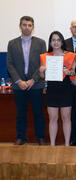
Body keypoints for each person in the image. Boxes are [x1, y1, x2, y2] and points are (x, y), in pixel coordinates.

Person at [6, 16, 46, 145]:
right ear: (20, 26)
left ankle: (40, 137)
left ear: (33, 27)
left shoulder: (40, 43)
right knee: (21, 113)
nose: (27, 27)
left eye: (29, 25)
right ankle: (21, 137)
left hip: (36, 84)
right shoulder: (12, 43)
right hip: (19, 85)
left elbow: (42, 63)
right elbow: (10, 64)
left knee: (38, 113)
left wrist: (33, 80)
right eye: (24, 25)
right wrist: (18, 81)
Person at [39, 31, 76, 146]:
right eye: (53, 40)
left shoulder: (71, 55)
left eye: (58, 40)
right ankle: (52, 145)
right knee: (53, 118)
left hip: (66, 88)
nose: (56, 42)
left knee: (66, 118)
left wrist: (70, 72)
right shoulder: (45, 56)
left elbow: (74, 72)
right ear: (50, 42)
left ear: (62, 41)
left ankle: (67, 145)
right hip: (52, 89)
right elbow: (43, 77)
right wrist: (41, 71)